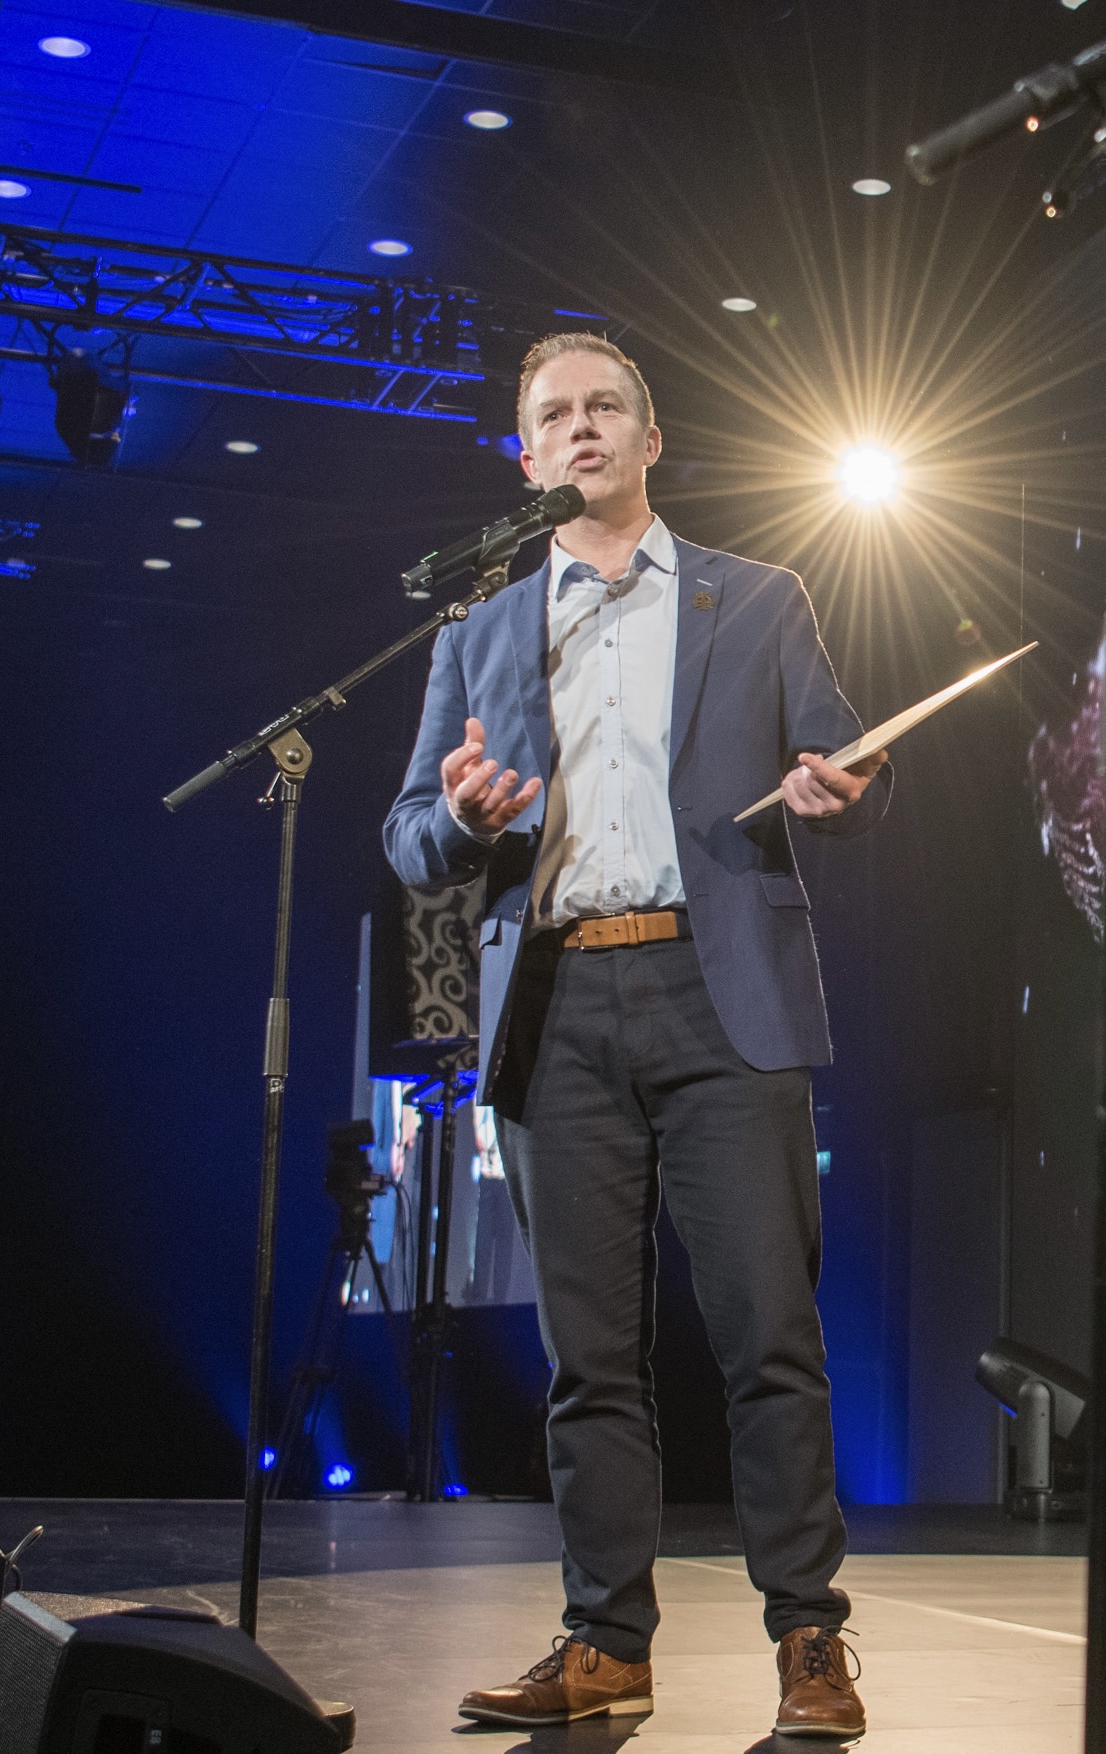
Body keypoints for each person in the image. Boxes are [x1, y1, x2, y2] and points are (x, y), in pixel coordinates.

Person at [383, 332, 890, 1740]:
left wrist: (844, 786)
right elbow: (411, 834)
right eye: (554, 414)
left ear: (651, 440)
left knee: (768, 1331)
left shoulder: (758, 596)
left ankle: (809, 1636)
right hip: (557, 1004)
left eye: (606, 406)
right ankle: (606, 1640)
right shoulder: (480, 631)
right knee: (588, 1357)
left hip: (720, 991)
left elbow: (848, 756)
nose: (583, 427)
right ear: (526, 456)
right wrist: (463, 817)